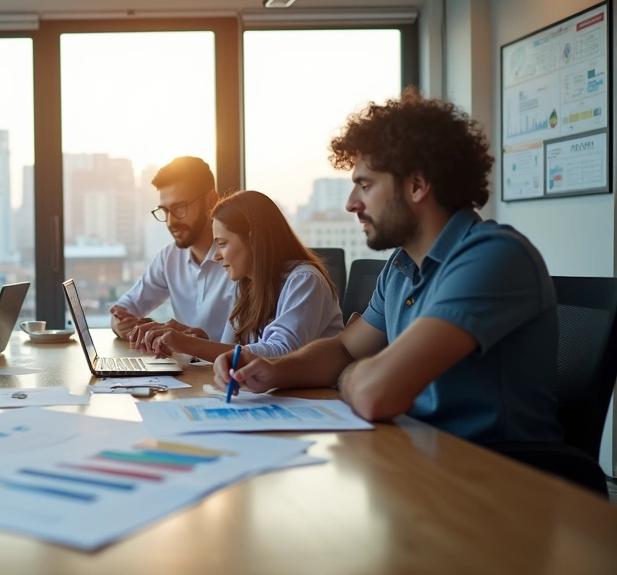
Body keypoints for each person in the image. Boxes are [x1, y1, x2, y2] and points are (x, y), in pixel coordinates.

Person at [210, 90, 561, 444]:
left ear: (417, 185)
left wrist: (348, 375)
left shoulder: (492, 257)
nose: (351, 204)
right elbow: (344, 349)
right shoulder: (401, 266)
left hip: (501, 479)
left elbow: (374, 394)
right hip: (418, 457)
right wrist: (273, 371)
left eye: (365, 185)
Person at [137, 190, 343, 361]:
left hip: (315, 400)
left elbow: (281, 353)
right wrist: (199, 341)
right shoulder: (246, 285)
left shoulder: (304, 280)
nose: (217, 255)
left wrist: (191, 345)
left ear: (253, 240)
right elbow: (234, 350)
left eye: (222, 244)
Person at [109, 156, 237, 350]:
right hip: (188, 373)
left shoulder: (240, 260)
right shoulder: (169, 258)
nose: (170, 222)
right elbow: (123, 309)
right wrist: (122, 324)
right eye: (165, 211)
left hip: (229, 374)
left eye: (180, 208)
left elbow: (261, 348)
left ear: (211, 201)